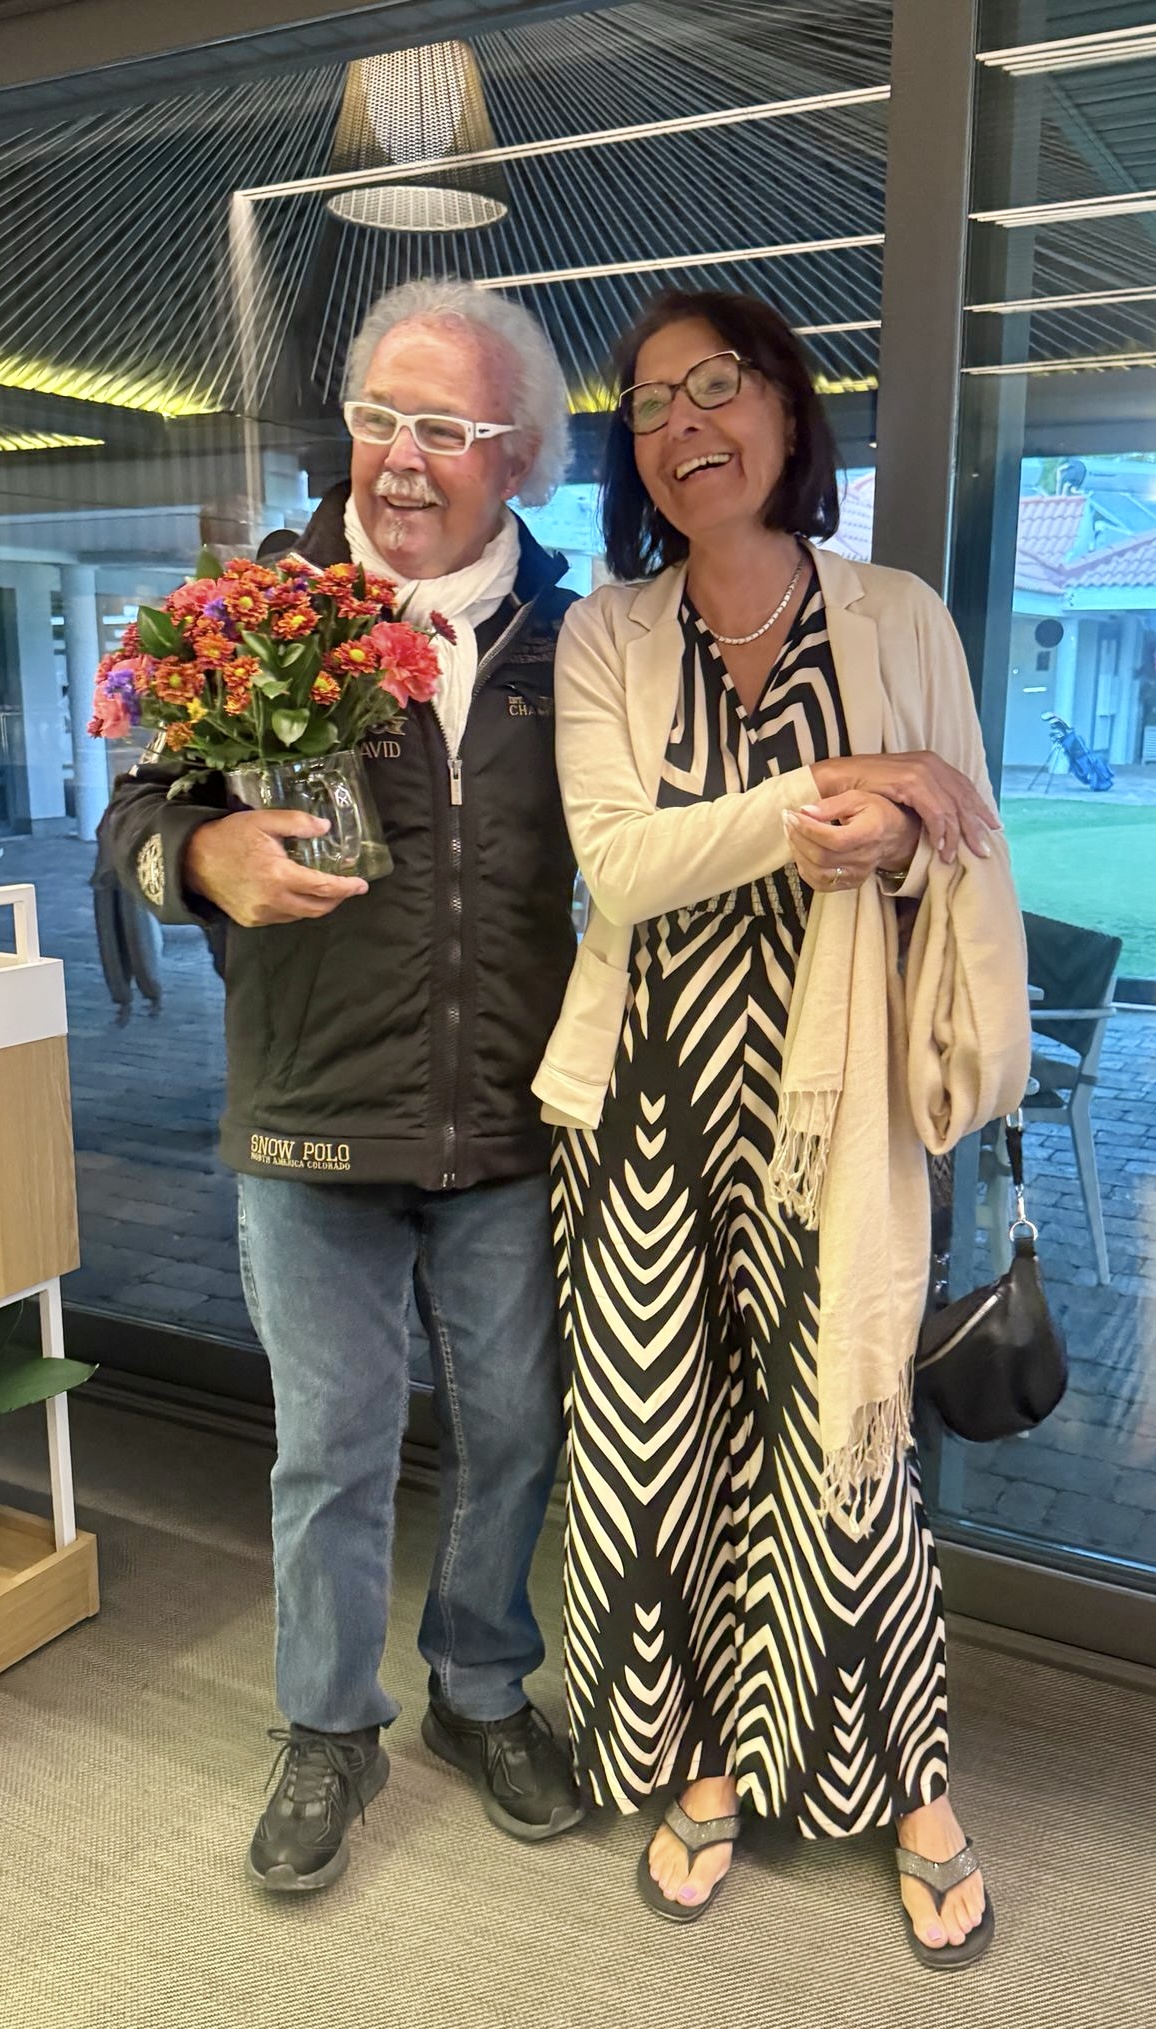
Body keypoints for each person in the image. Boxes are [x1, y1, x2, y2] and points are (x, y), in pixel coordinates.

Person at [534, 289, 1030, 1969]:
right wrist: (841, 786)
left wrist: (893, 825)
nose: (684, 424)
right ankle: (705, 1757)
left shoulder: (899, 616)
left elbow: (959, 845)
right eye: (649, 403)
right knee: (662, 1453)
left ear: (788, 409)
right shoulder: (608, 635)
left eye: (718, 385)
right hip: (646, 1110)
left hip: (841, 1107)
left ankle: (911, 1784)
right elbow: (624, 864)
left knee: (845, 1446)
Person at [101, 280, 586, 1892]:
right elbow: (132, 825)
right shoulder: (254, 617)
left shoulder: (578, 645)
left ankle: (479, 1686)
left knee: (514, 1428)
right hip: (310, 1116)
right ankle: (327, 1724)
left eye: (442, 425)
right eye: (379, 416)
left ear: (517, 457)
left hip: (512, 1118)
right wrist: (201, 855)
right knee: (334, 1442)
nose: (399, 454)